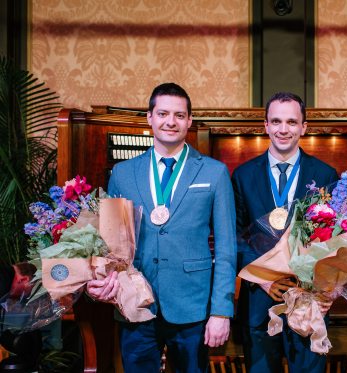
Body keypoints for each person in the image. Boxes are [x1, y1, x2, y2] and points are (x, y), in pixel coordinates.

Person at [86, 83, 237, 373]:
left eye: (179, 115)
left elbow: (228, 249)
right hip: (136, 302)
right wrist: (101, 280)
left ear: (189, 121)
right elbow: (110, 244)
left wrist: (221, 311)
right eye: (163, 113)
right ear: (150, 117)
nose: (171, 121)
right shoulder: (123, 173)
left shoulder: (213, 172)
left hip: (192, 305)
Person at [232, 92, 339, 373]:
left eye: (292, 122)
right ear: (265, 125)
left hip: (308, 298)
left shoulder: (326, 174)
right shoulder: (243, 175)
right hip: (259, 299)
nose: (283, 129)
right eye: (276, 121)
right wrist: (264, 279)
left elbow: (333, 238)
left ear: (304, 127)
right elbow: (235, 236)